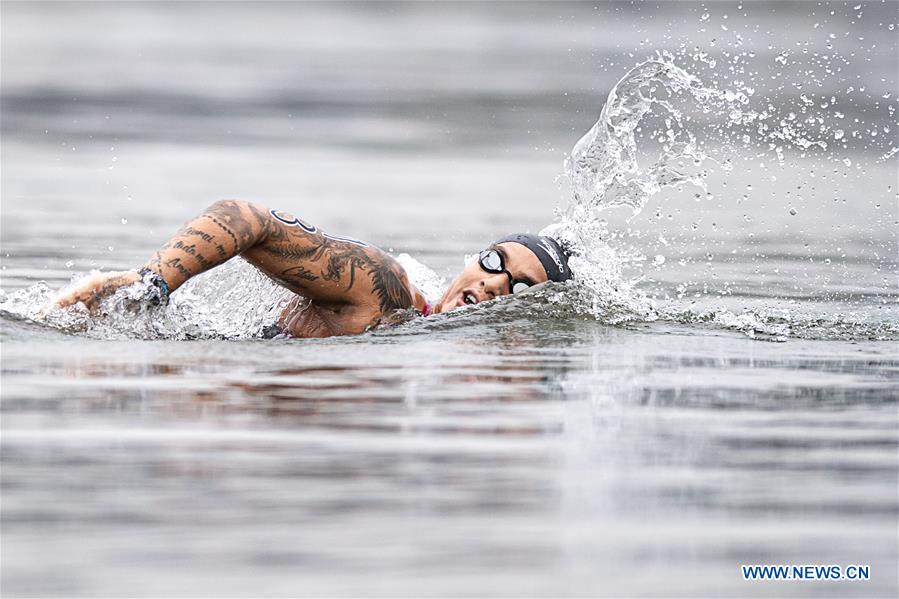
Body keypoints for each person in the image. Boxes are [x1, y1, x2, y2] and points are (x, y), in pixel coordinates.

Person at [53, 200, 572, 338]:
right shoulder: (387, 291)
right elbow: (247, 218)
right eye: (494, 261)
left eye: (520, 287)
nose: (494, 283)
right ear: (473, 258)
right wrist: (149, 285)